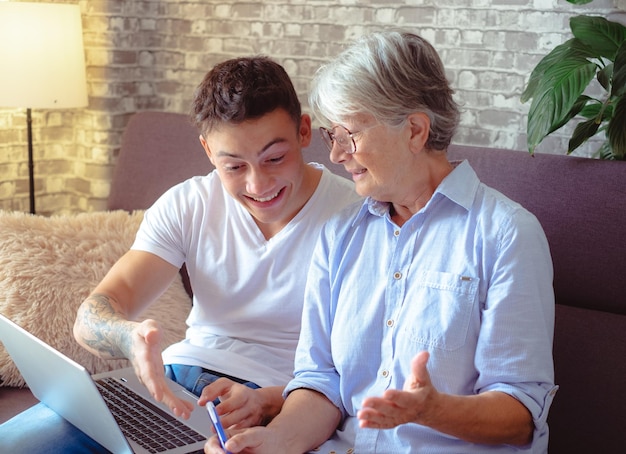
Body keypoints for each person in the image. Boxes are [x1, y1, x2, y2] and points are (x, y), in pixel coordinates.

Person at [205, 31, 558, 454]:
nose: (336, 155)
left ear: (414, 130)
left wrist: (432, 410)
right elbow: (322, 382)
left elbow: (521, 415)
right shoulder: (340, 235)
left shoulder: (505, 234)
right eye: (330, 136)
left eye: (348, 135)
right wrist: (275, 441)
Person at [0, 56, 361, 452]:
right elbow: (92, 315)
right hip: (177, 379)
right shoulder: (189, 204)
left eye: (274, 158)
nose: (259, 184)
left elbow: (356, 370)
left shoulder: (355, 217)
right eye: (234, 166)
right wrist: (127, 338)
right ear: (208, 150)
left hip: (278, 403)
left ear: (304, 131)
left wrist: (269, 400)